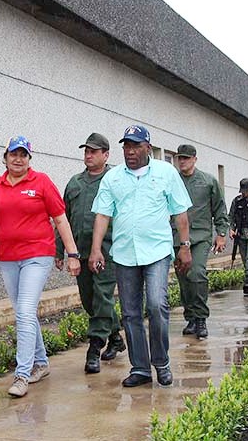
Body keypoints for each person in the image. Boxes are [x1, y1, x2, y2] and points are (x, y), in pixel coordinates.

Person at [0, 135, 81, 398]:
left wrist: (72, 253)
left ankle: (22, 374)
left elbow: (61, 220)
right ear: (5, 157)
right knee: (23, 311)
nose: (18, 159)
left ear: (29, 159)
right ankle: (40, 363)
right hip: (7, 257)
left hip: (37, 254)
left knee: (25, 310)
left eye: (23, 155)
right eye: (13, 154)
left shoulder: (41, 182)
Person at [88, 124, 193, 388]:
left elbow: (180, 213)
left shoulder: (166, 173)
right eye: (126, 146)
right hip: (124, 254)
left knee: (157, 305)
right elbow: (102, 214)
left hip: (157, 251)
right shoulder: (112, 179)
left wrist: (185, 245)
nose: (130, 151)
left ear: (148, 147)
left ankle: (162, 363)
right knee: (131, 313)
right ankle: (141, 368)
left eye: (135, 146)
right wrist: (96, 248)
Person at [55, 132, 126, 375]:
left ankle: (94, 348)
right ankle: (115, 337)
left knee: (102, 296)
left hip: (108, 252)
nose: (88, 155)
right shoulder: (75, 182)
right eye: (86, 151)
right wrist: (59, 249)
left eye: (93, 151)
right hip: (80, 252)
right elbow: (62, 217)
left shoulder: (116, 180)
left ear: (106, 155)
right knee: (89, 300)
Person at [171, 144, 229, 339]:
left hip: (200, 236)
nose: (182, 161)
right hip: (176, 237)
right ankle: (191, 317)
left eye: (186, 158)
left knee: (197, 273)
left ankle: (201, 317)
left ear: (195, 159)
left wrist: (221, 233)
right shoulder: (172, 181)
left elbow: (220, 208)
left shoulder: (208, 181)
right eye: (180, 158)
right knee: (184, 279)